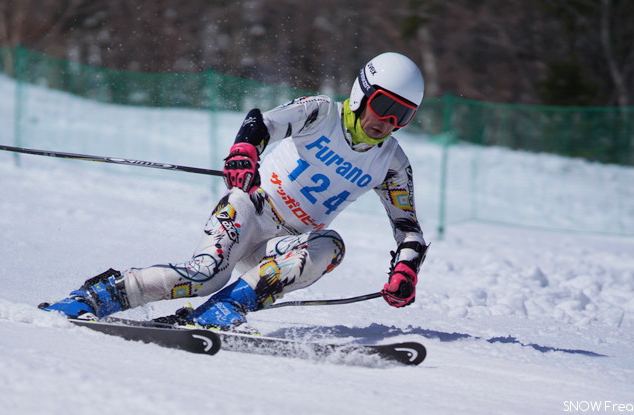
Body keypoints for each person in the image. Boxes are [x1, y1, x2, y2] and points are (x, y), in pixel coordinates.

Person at [41, 52, 429, 331]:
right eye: (383, 105)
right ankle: (96, 297)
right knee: (206, 275)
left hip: (279, 249)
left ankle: (219, 312)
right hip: (251, 208)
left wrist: (406, 269)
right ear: (362, 93)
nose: (388, 121)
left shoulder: (392, 163)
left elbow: (408, 227)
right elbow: (262, 123)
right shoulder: (321, 112)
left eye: (403, 115)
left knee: (331, 247)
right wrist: (244, 152)